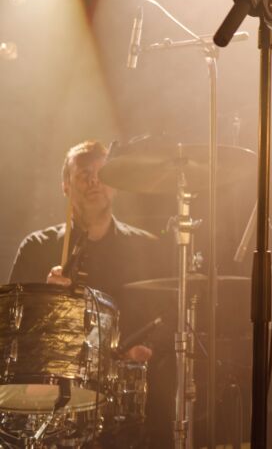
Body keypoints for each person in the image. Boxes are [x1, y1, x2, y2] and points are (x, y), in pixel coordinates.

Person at [9, 139, 172, 445]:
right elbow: (11, 333)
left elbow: (167, 319)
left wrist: (146, 348)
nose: (94, 180)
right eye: (83, 174)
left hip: (127, 403)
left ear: (116, 185)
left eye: (101, 173)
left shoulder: (146, 248)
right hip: (53, 403)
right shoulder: (37, 248)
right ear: (65, 185)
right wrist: (45, 300)